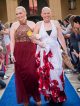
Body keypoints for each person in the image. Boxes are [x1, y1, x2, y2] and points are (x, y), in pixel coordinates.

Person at [32, 7, 67, 105]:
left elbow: (60, 37)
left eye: (48, 13)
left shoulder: (56, 23)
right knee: (47, 74)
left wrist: (65, 50)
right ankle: (51, 96)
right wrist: (39, 43)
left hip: (55, 52)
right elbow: (32, 38)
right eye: (44, 13)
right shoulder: (38, 24)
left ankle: (59, 95)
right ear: (41, 14)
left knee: (57, 71)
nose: (46, 15)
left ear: (51, 14)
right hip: (43, 53)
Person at [10, 6, 41, 106]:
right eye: (17, 14)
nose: (18, 15)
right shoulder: (14, 25)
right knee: (22, 76)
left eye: (20, 13)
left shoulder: (32, 24)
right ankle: (26, 98)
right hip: (18, 53)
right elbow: (12, 41)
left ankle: (36, 96)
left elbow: (37, 39)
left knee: (32, 74)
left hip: (31, 51)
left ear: (25, 13)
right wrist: (11, 54)